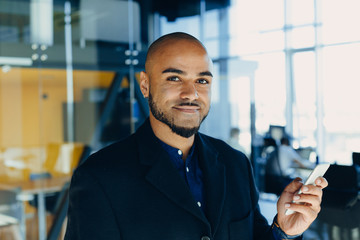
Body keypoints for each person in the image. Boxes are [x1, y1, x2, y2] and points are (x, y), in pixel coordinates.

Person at [64, 32, 328, 239]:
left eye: (202, 81)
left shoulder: (235, 164)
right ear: (145, 85)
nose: (191, 93)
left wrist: (285, 231)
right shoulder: (100, 178)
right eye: (174, 79)